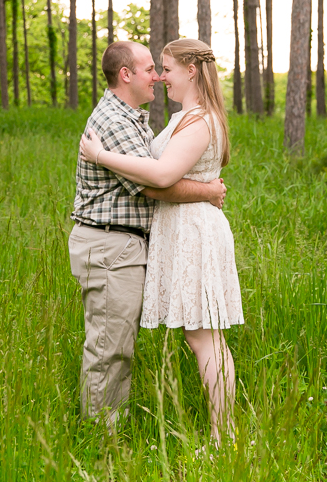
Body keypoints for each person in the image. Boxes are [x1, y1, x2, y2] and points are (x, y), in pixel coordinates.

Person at [80, 38, 243, 445]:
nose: (160, 76)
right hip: (172, 230)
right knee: (197, 335)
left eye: (165, 68)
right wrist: (205, 189)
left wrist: (100, 156)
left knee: (203, 336)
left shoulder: (199, 119)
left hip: (193, 231)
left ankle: (224, 437)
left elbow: (159, 178)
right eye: (155, 68)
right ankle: (220, 435)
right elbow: (156, 174)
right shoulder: (179, 117)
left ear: (191, 70)